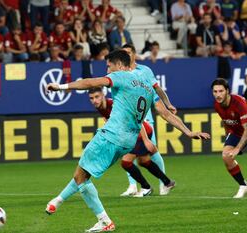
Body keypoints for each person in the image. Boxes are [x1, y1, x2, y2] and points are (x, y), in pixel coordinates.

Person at [45, 50, 209, 232]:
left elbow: (90, 82)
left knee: (81, 177)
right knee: (84, 174)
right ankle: (57, 201)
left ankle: (104, 221)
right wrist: (188, 131)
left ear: (120, 66)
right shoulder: (146, 87)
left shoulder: (121, 76)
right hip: (127, 141)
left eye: (109, 66)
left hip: (111, 135)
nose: (107, 70)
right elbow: (165, 112)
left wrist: (60, 87)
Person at [88, 87, 177, 197]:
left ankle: (146, 187)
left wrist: (146, 140)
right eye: (91, 98)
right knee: (143, 161)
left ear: (103, 95)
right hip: (133, 134)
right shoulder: (101, 107)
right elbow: (108, 120)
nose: (94, 100)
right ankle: (167, 183)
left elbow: (136, 119)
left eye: (97, 97)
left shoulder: (115, 105)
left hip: (140, 132)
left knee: (126, 162)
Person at [121, 43, 177, 196]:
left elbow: (157, 90)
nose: (125, 56)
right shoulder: (120, 72)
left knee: (152, 152)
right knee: (129, 153)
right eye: (122, 53)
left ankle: (163, 183)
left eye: (127, 52)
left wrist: (168, 104)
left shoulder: (144, 70)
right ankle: (133, 185)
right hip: (129, 122)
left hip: (145, 120)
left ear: (134, 54)